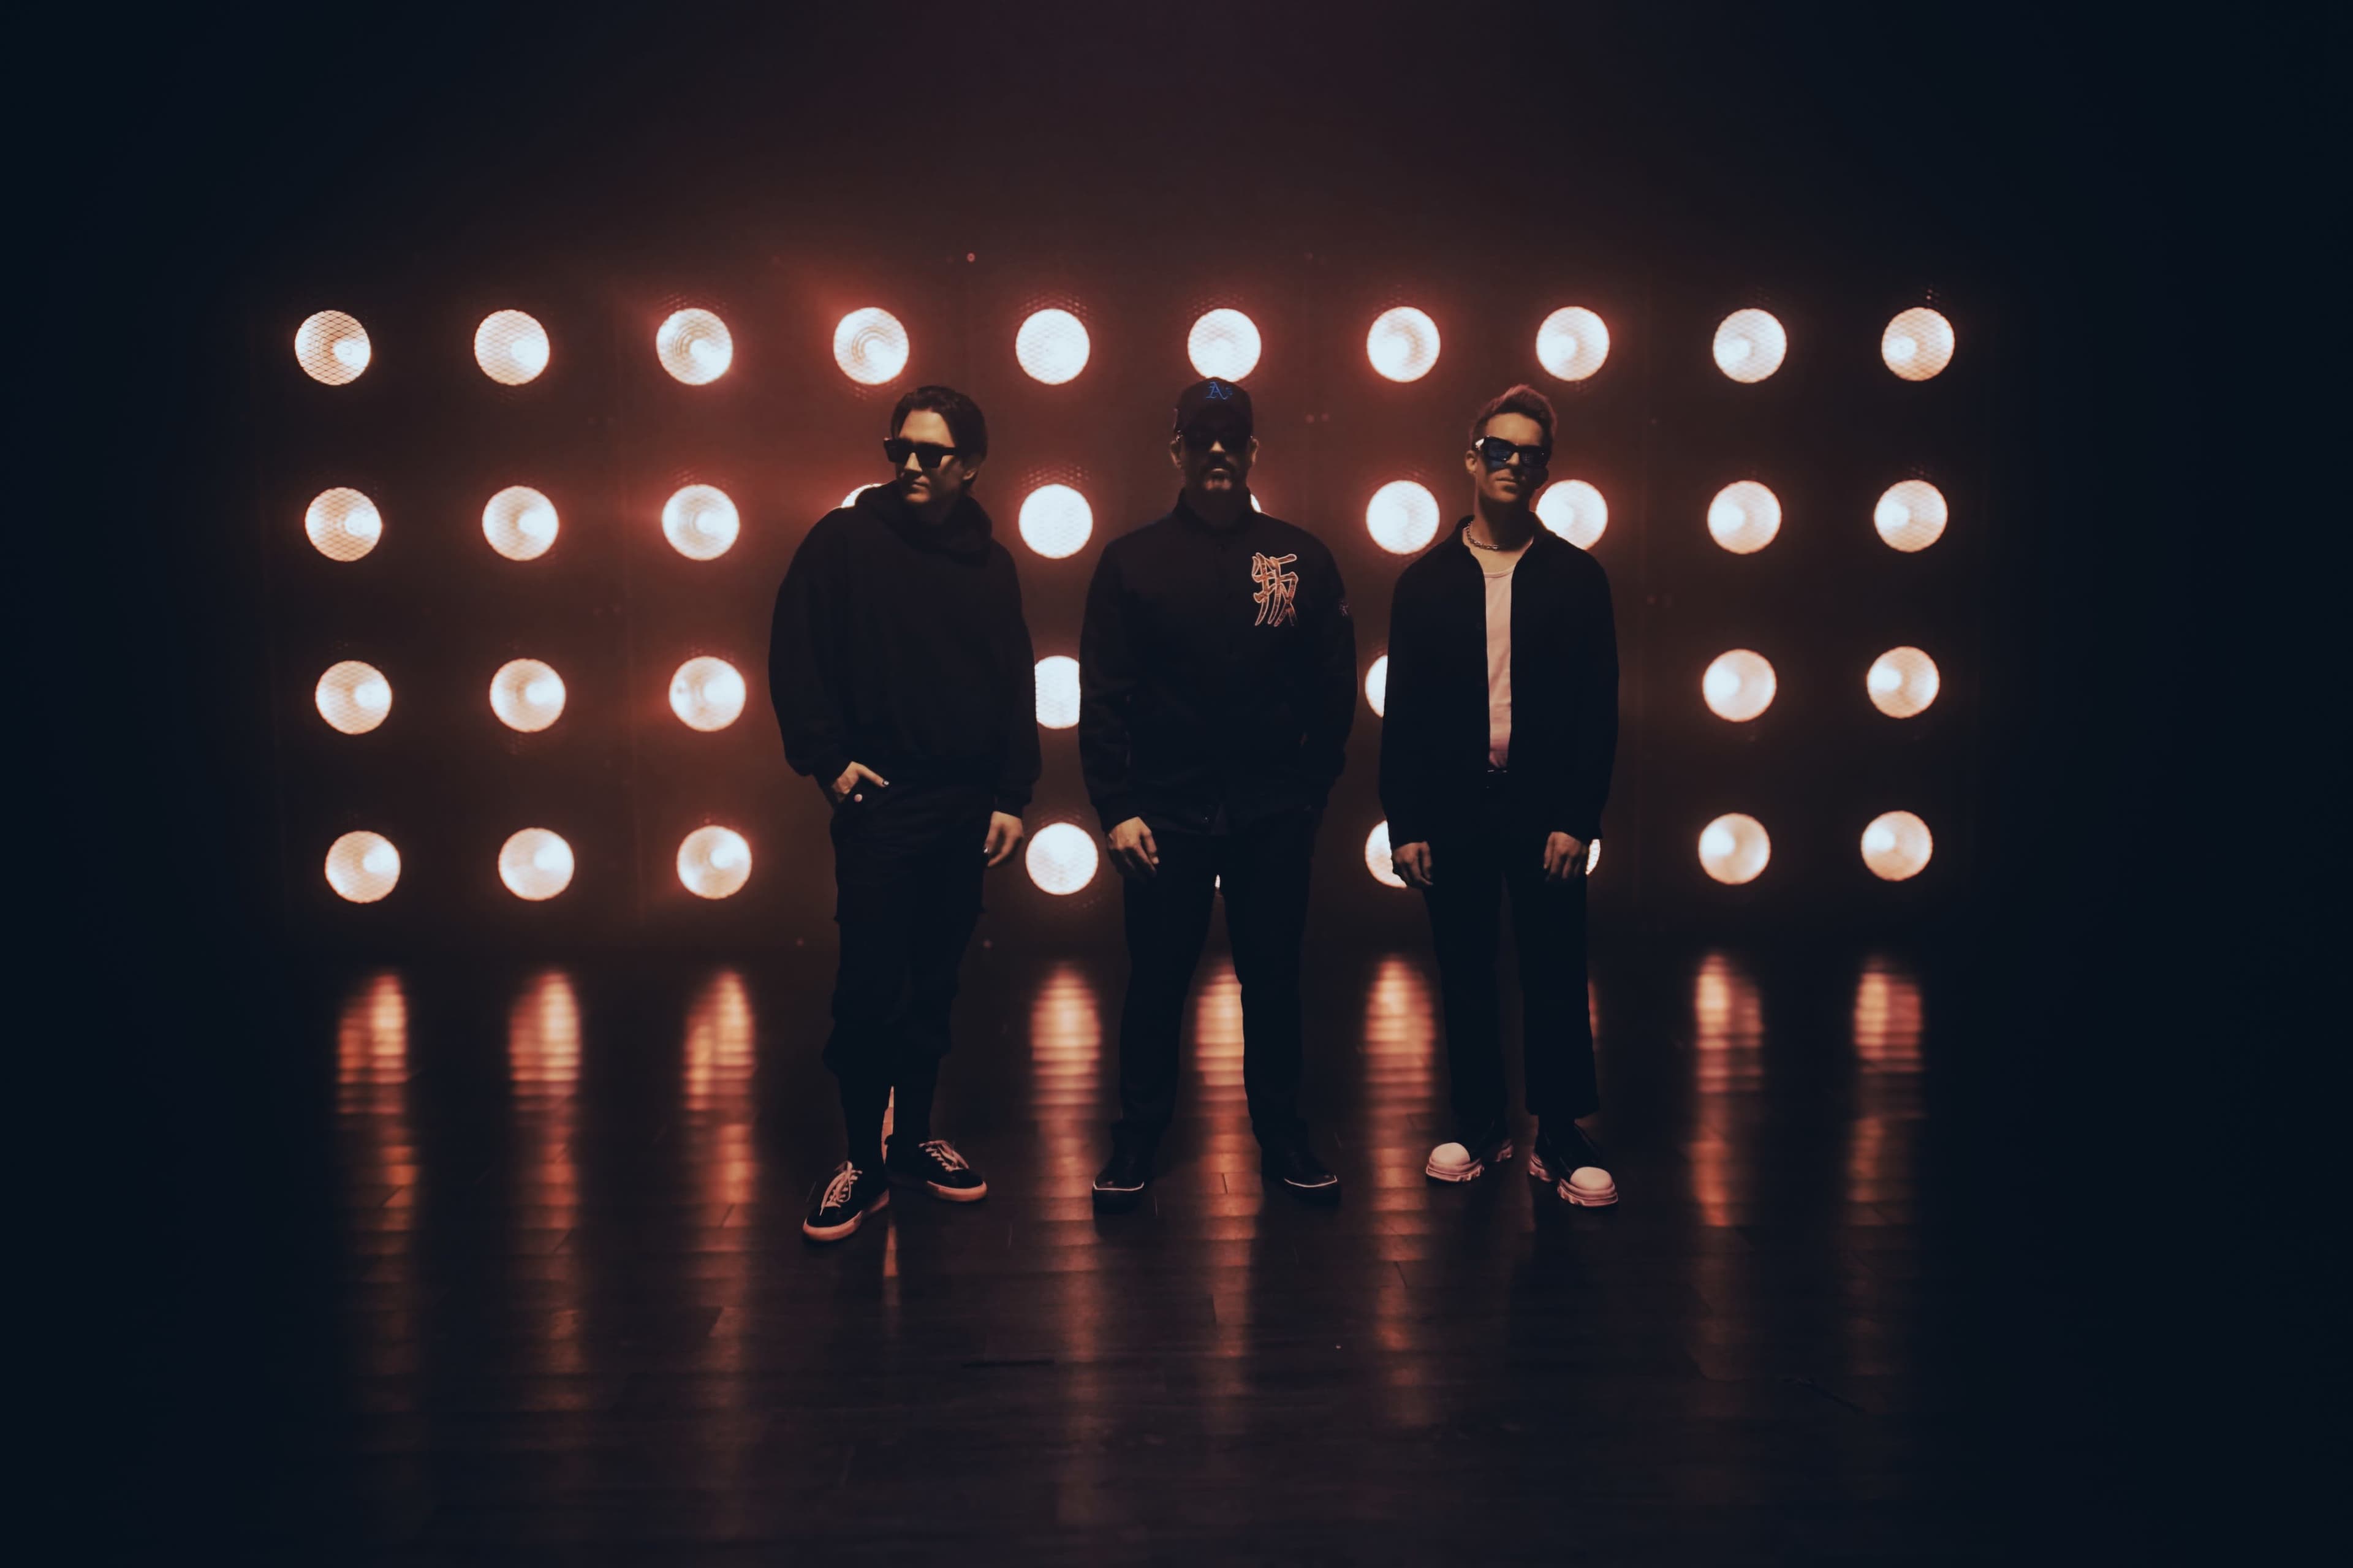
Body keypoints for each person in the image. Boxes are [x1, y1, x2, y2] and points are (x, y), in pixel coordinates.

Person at [770, 385, 1039, 1243]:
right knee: (869, 987)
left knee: (935, 981)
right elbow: (795, 650)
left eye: (932, 453)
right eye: (902, 451)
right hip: (884, 802)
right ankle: (860, 1157)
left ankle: (915, 1139)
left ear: (971, 466)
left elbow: (1014, 680)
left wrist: (1010, 792)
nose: (912, 466)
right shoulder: (844, 540)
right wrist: (826, 760)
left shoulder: (990, 563)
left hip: (963, 802)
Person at [1080, 377, 1357, 1209]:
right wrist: (1116, 806)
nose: (1216, 452)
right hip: (1165, 813)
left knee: (1273, 980)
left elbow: (1334, 687)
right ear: (1176, 450)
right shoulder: (1131, 561)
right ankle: (1136, 1142)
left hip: (1272, 812)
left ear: (1252, 450)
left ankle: (1284, 1140)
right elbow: (1104, 694)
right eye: (1200, 438)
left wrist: (1309, 792)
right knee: (1158, 981)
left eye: (1230, 438)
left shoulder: (1299, 557)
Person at [1378, 384, 1621, 1206]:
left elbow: (1599, 709)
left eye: (1529, 454)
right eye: (1499, 449)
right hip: (1453, 808)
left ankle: (1558, 1133)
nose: (1512, 464)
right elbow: (1401, 711)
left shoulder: (1578, 579)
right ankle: (1481, 1124)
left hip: (1544, 807)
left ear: (1546, 470)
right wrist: (1404, 821)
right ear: (1471, 457)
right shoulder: (1423, 584)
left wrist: (1576, 817)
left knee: (1555, 967)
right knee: (1464, 969)